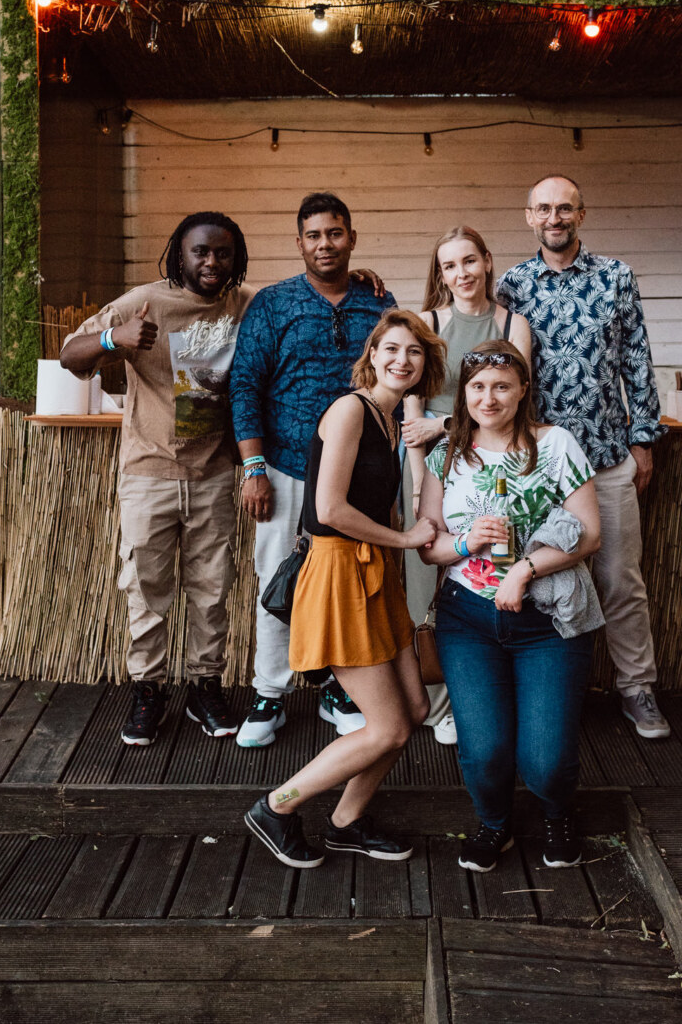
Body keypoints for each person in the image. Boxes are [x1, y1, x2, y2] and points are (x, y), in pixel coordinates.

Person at [244, 309, 446, 868]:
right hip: (339, 573)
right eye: (392, 349)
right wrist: (405, 540)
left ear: (425, 365)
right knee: (384, 728)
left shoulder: (388, 421)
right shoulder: (350, 410)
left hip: (376, 573)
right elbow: (327, 510)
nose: (401, 360)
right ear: (372, 355)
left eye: (414, 352)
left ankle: (346, 821)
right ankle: (276, 807)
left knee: (412, 709)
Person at [61, 212, 253, 746]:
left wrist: (358, 280)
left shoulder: (246, 304)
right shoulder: (142, 302)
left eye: (222, 253)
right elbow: (68, 356)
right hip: (149, 473)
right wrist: (111, 336)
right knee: (145, 588)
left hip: (215, 472)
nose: (211, 262)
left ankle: (205, 687)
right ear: (179, 254)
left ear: (236, 257)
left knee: (213, 588)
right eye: (200, 252)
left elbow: (306, 299)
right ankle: (149, 691)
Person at [495, 173, 670, 739]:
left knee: (620, 579)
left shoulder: (616, 277)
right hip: (537, 464)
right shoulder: (512, 285)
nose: (555, 218)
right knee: (542, 582)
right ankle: (547, 698)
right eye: (543, 208)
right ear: (529, 216)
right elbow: (489, 361)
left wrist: (642, 439)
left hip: (606, 456)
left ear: (581, 214)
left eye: (564, 208)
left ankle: (637, 688)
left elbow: (637, 362)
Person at [418, 341, 601, 873]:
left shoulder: (556, 444)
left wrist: (525, 568)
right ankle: (494, 823)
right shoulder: (447, 454)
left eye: (501, 386)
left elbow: (589, 535)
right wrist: (468, 542)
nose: (489, 397)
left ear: (522, 391)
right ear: (464, 394)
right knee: (485, 751)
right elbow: (430, 547)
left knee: (544, 760)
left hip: (546, 619)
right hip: (467, 618)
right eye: (477, 387)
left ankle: (556, 812)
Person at [230, 192, 396, 747]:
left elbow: (397, 371)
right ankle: (269, 694)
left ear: (352, 236)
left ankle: (337, 688)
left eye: (335, 233)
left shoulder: (379, 301)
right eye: (313, 235)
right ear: (299, 242)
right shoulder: (274, 305)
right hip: (284, 467)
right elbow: (245, 384)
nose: (325, 244)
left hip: (357, 475)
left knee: (350, 583)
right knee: (279, 579)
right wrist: (253, 466)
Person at [400, 225, 531, 746]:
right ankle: (436, 706)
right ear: (441, 274)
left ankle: (488, 695)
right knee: (423, 581)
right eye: (450, 266)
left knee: (483, 567)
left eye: (469, 262)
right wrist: (416, 486)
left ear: (487, 261)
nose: (461, 274)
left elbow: (514, 398)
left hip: (490, 459)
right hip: (428, 465)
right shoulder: (429, 322)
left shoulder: (512, 323)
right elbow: (414, 412)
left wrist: (444, 427)